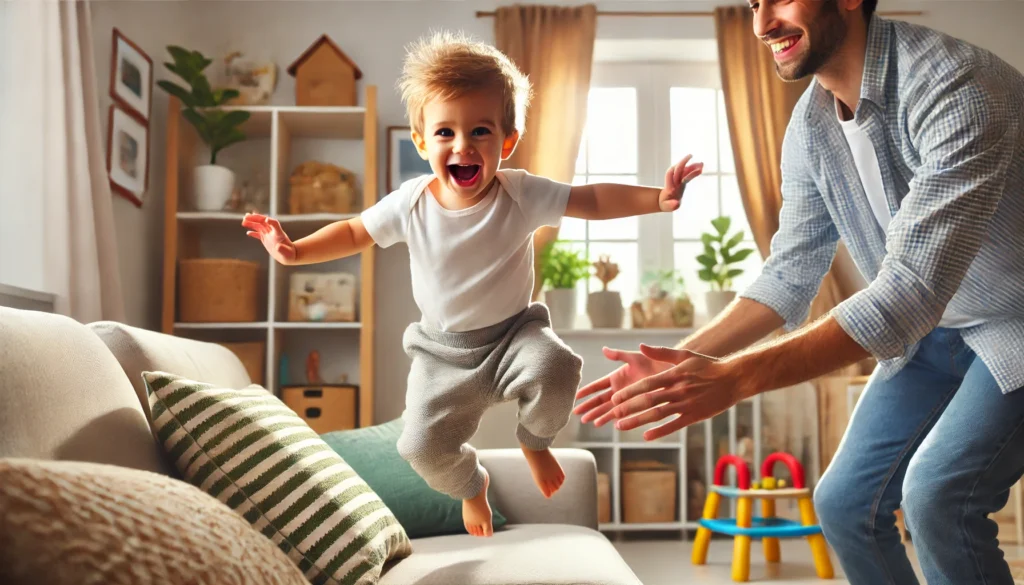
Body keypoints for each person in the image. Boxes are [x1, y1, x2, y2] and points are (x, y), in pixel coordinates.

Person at [575, 1, 1024, 583]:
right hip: (933, 334)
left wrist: (736, 378)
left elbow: (908, 291)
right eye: (755, 3)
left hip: (1012, 321)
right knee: (844, 504)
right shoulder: (811, 126)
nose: (762, 24)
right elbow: (789, 273)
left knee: (937, 497)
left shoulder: (958, 86)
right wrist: (684, 359)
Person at [243, 31, 704, 538]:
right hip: (442, 354)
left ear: (507, 140)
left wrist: (655, 199)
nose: (462, 145)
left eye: (480, 131)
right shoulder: (411, 202)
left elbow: (589, 200)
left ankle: (533, 439)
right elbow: (354, 231)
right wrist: (296, 250)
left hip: (514, 336)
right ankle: (471, 485)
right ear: (421, 141)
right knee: (417, 446)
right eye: (445, 133)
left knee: (557, 366)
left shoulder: (520, 193)